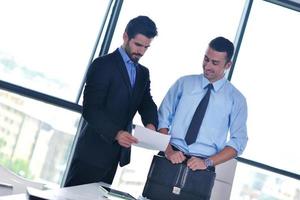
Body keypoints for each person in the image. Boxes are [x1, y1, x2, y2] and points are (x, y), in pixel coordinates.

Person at [64, 16, 158, 187]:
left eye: (146, 47)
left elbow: (146, 102)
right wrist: (116, 133)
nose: (142, 51)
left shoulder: (143, 73)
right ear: (125, 36)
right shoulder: (102, 65)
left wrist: (151, 124)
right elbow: (91, 109)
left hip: (114, 156)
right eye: (138, 45)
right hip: (90, 155)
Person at [158, 36, 248, 193]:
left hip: (202, 169)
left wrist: (206, 162)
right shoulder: (184, 83)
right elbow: (162, 120)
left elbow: (238, 142)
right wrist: (169, 151)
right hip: (169, 157)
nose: (207, 66)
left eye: (215, 63)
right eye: (206, 59)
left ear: (228, 65)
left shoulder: (236, 100)